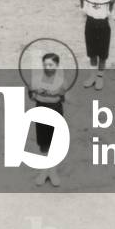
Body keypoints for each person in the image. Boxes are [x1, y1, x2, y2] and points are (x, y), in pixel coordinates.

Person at [28, 52, 65, 187]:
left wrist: (59, 93)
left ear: (56, 66)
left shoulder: (61, 80)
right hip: (41, 110)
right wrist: (34, 92)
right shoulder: (36, 78)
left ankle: (53, 171)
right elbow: (31, 97)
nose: (48, 67)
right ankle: (44, 171)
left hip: (55, 110)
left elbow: (64, 98)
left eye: (51, 64)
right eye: (45, 64)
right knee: (43, 141)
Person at [81, 0, 112, 90]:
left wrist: (112, 4)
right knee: (92, 53)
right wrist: (81, 1)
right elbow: (84, 11)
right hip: (90, 25)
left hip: (103, 26)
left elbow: (109, 14)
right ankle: (92, 76)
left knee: (102, 54)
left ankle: (99, 77)